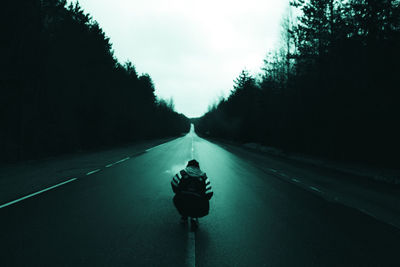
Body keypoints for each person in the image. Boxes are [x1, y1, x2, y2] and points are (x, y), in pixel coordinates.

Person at [171, 159, 213, 226]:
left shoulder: (182, 173)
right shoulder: (204, 176)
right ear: (198, 167)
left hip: (182, 201)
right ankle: (194, 217)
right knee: (201, 202)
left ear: (188, 165)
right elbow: (209, 193)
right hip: (198, 204)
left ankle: (184, 217)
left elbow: (173, 183)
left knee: (178, 198)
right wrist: (203, 199)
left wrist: (178, 192)